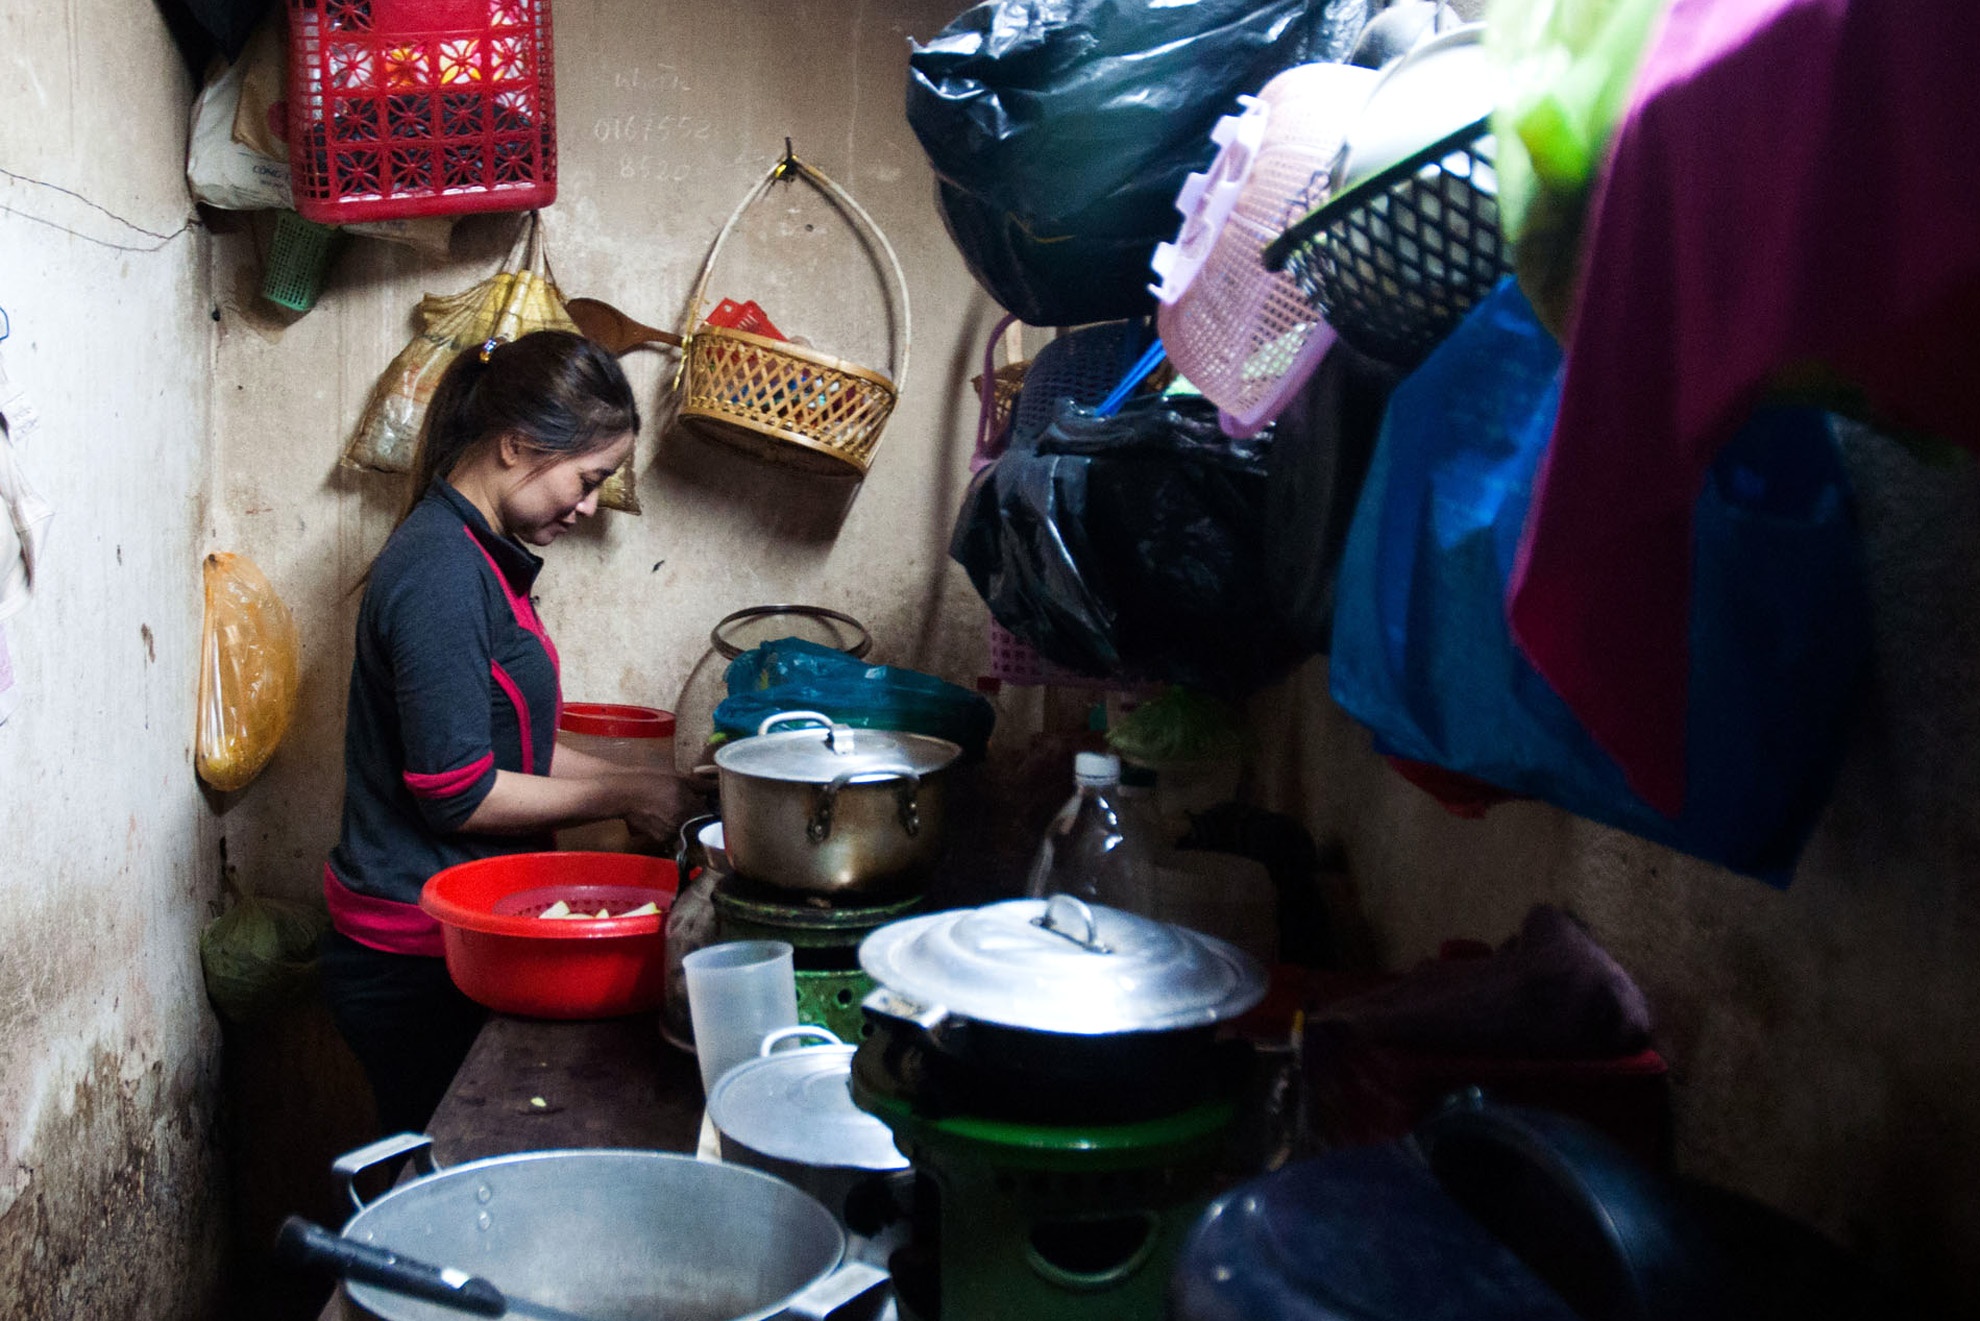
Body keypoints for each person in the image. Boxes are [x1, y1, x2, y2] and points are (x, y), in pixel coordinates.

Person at [320, 329, 694, 1135]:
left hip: (460, 931)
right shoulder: (442, 572)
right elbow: (459, 792)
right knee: (432, 1171)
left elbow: (509, 744)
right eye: (588, 479)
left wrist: (659, 788)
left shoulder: (482, 554)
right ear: (517, 444)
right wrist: (626, 793)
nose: (589, 506)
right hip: (413, 949)